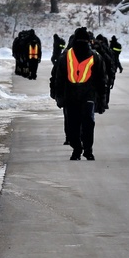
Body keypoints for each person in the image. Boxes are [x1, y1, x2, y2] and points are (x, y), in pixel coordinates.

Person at [50, 27, 107, 161]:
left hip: (71, 96)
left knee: (73, 124)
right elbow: (101, 79)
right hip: (88, 96)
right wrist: (102, 99)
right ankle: (87, 150)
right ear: (89, 41)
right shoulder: (96, 57)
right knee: (88, 123)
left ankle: (77, 149)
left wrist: (58, 95)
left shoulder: (65, 56)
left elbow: (59, 78)